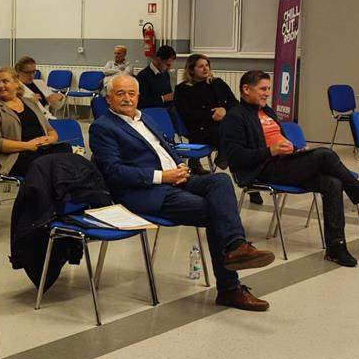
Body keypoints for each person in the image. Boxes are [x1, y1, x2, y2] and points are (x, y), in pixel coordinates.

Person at [89, 73, 276, 311]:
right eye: (120, 94)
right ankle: (230, 286)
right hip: (146, 191)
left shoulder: (145, 118)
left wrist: (180, 165)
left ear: (138, 96)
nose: (127, 98)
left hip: (176, 179)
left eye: (131, 93)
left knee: (220, 180)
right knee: (215, 211)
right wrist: (162, 176)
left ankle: (236, 247)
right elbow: (113, 172)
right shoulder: (103, 127)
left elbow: (167, 147)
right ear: (108, 98)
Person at [220, 71, 359, 267]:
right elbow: (235, 157)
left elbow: (279, 140)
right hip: (263, 169)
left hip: (284, 162)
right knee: (325, 154)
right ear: (246, 89)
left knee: (332, 183)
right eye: (262, 89)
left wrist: (295, 149)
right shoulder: (235, 117)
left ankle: (336, 248)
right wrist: (270, 151)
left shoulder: (267, 111)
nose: (267, 93)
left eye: (268, 88)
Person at [0, 67, 72, 178]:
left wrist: (51, 139)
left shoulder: (30, 102)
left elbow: (50, 129)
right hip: (17, 154)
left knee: (65, 149)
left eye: (5, 81)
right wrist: (28, 145)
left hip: (42, 149)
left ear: (16, 83)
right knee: (45, 164)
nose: (0, 85)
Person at [173, 53, 238, 177]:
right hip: (198, 126)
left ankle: (222, 157)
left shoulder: (217, 83)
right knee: (226, 134)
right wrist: (211, 115)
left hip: (220, 124)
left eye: (207, 65)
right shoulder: (182, 89)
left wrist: (224, 110)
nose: (205, 68)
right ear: (192, 70)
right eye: (201, 66)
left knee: (238, 131)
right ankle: (222, 156)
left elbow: (234, 103)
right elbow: (186, 114)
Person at [137, 45, 176, 110]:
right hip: (150, 113)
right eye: (167, 65)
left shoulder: (165, 74)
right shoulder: (142, 76)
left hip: (166, 112)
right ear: (158, 59)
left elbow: (169, 96)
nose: (169, 68)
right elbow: (141, 102)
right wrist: (163, 98)